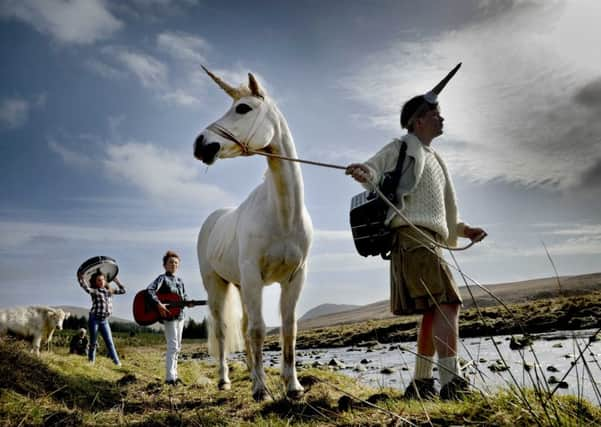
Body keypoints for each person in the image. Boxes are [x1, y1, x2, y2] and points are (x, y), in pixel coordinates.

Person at [346, 65, 486, 400]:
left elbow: (440, 210)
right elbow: (372, 171)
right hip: (412, 238)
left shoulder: (435, 159)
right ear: (418, 120)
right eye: (435, 113)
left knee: (432, 310)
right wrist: (362, 172)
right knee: (448, 304)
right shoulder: (401, 146)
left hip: (430, 240)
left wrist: (464, 230)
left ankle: (421, 385)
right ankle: (452, 384)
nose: (442, 118)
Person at [147, 250, 191, 386]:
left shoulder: (180, 281)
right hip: (169, 316)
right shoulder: (162, 279)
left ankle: (175, 375)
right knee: (172, 346)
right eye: (171, 262)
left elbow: (184, 297)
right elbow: (150, 290)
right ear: (165, 265)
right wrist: (158, 304)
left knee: (178, 347)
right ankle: (169, 378)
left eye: (176, 263)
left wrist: (189, 302)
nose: (174, 264)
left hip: (180, 316)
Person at [78, 270, 125, 366]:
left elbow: (123, 291)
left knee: (110, 342)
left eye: (103, 279)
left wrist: (116, 281)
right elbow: (86, 288)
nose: (101, 281)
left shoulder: (109, 291)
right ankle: (91, 362)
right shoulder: (95, 291)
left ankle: (117, 363)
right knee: (93, 343)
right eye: (99, 280)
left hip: (104, 321)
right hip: (94, 319)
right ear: (95, 282)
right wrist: (81, 279)